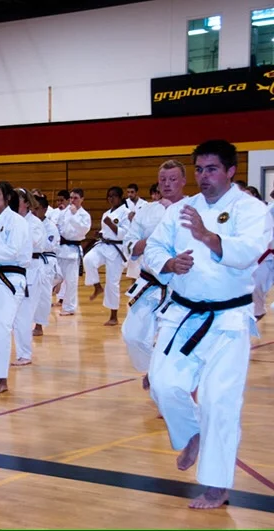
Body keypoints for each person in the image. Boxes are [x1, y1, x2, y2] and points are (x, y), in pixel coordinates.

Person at [144, 140, 267, 509]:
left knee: (219, 400)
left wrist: (206, 237)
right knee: (163, 385)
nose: (203, 177)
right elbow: (153, 249)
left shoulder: (251, 209)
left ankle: (216, 485)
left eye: (211, 169)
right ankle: (192, 433)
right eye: (198, 169)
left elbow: (247, 254)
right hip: (182, 313)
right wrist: (168, 264)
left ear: (231, 171)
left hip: (228, 319)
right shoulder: (182, 209)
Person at [121, 160, 187, 388]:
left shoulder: (193, 209)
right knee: (132, 335)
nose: (167, 184)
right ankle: (152, 369)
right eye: (163, 180)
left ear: (183, 181)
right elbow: (129, 244)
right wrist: (152, 242)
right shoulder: (146, 211)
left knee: (173, 340)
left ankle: (164, 384)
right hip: (149, 283)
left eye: (172, 179)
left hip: (182, 285)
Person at [0, 181, 30, 395]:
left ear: (7, 197)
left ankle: (1, 379)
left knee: (1, 327)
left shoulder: (17, 222)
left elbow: (13, 251)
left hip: (10, 279)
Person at [83, 186, 130, 326]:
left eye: (114, 196)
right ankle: (97, 286)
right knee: (88, 259)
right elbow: (106, 231)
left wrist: (112, 225)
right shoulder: (106, 213)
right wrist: (100, 234)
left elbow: (125, 233)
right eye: (109, 196)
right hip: (104, 246)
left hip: (117, 249)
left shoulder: (126, 213)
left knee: (112, 283)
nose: (111, 198)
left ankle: (114, 316)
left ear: (120, 197)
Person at [12, 188, 44, 364]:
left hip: (31, 269)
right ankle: (21, 351)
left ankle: (25, 354)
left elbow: (29, 243)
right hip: (15, 272)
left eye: (17, 200)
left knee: (23, 315)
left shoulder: (34, 223)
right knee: (16, 315)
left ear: (26, 202)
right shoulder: (14, 221)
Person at [56, 188, 90, 316]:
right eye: (71, 198)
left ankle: (69, 307)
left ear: (82, 199)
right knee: (54, 277)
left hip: (72, 251)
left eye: (75, 198)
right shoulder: (64, 212)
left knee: (71, 281)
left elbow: (83, 230)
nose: (72, 200)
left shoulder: (84, 215)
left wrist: (75, 215)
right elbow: (58, 225)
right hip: (60, 249)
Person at [31, 195, 60, 336]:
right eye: (32, 208)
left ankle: (39, 325)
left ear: (45, 209)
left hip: (46, 261)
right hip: (32, 261)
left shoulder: (51, 227)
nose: (34, 211)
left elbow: (47, 245)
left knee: (43, 294)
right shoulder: (30, 223)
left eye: (37, 209)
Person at [125, 183, 148, 279]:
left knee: (140, 266)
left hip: (140, 237)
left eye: (132, 192)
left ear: (137, 192)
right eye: (128, 192)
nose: (130, 194)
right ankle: (132, 286)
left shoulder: (145, 204)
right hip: (128, 236)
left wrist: (135, 218)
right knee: (132, 267)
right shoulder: (124, 204)